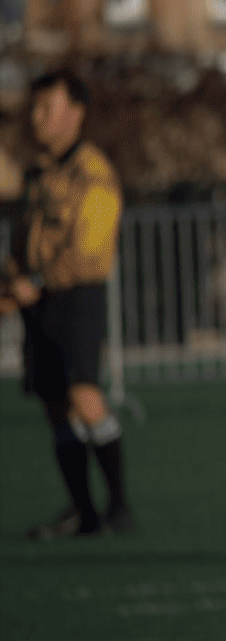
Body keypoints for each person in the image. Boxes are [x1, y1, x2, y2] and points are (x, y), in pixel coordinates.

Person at [0, 69, 132, 539]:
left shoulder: (92, 174)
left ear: (76, 113)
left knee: (84, 395)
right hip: (35, 298)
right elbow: (23, 235)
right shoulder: (39, 171)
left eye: (47, 108)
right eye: (34, 108)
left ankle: (119, 507)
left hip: (75, 296)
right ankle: (82, 511)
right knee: (54, 404)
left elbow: (88, 253)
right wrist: (14, 279)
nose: (37, 117)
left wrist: (36, 281)